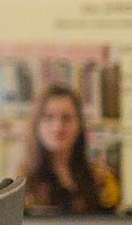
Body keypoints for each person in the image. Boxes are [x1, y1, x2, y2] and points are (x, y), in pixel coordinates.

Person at [18, 85, 119, 214]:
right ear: (36, 125)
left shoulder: (101, 178)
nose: (58, 127)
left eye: (66, 118)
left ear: (79, 125)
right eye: (49, 117)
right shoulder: (22, 185)